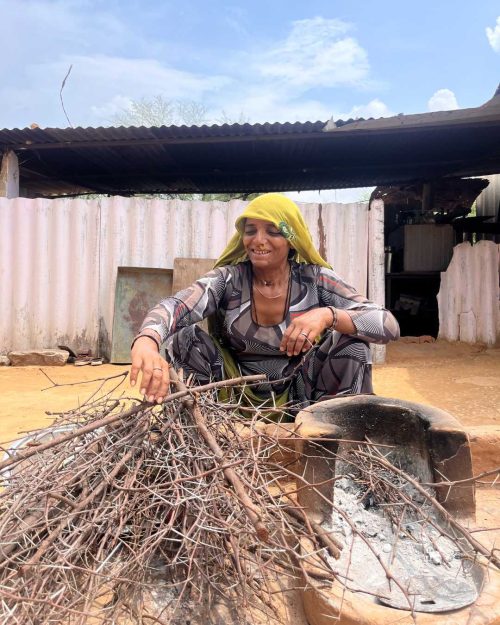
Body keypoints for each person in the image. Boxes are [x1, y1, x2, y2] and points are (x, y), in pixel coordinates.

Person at [130, 193, 399, 413]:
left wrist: (327, 315)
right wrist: (147, 340)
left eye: (272, 231)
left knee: (352, 344)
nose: (259, 240)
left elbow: (387, 324)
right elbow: (178, 305)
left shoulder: (315, 279)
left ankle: (336, 440)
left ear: (292, 240)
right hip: (233, 394)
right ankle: (197, 435)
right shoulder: (228, 280)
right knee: (184, 338)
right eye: (251, 231)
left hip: (302, 395)